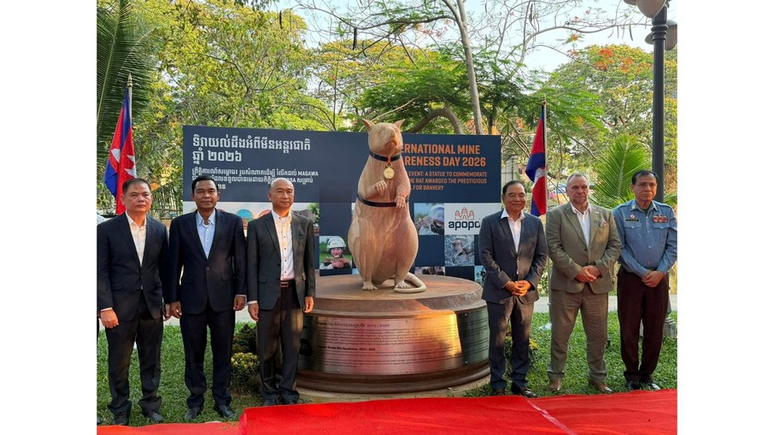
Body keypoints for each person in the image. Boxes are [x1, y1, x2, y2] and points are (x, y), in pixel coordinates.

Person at [166, 175, 247, 420]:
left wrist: (241, 292)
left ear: (217, 195)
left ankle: (222, 399)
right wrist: (173, 298)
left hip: (224, 299)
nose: (206, 195)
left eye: (210, 191)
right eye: (200, 191)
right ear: (193, 196)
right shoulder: (180, 224)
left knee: (223, 351)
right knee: (193, 352)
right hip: (191, 299)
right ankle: (195, 400)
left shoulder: (232, 223)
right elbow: (173, 265)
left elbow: (240, 261)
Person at [97, 178, 169, 425]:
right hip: (118, 308)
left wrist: (168, 300)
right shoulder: (106, 230)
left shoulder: (160, 230)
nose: (141, 199)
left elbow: (165, 269)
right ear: (123, 199)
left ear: (151, 199)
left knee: (152, 359)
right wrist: (105, 307)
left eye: (145, 195)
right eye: (135, 195)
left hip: (151, 305)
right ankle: (120, 408)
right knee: (119, 361)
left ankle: (150, 404)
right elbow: (100, 270)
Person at [545, 173, 621, 394]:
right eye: (575, 188)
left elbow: (615, 246)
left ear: (589, 189)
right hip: (566, 286)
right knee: (560, 335)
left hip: (597, 285)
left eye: (584, 187)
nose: (580, 191)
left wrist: (599, 268)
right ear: (567, 191)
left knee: (598, 335)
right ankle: (555, 377)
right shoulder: (556, 215)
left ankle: (598, 377)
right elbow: (553, 247)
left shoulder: (605, 214)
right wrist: (576, 271)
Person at [246, 178, 315, 406]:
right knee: (267, 347)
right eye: (280, 191)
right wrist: (252, 298)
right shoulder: (257, 226)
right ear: (270, 196)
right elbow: (252, 264)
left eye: (289, 191)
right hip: (267, 295)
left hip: (294, 295)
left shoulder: (304, 223)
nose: (285, 196)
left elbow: (308, 262)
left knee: (292, 346)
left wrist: (309, 293)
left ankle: (288, 391)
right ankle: (269, 392)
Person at [479, 180, 548, 398]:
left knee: (522, 339)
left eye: (521, 194)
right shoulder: (490, 222)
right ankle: (498, 384)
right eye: (512, 195)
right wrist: (506, 282)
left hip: (525, 292)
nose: (517, 199)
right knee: (498, 339)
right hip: (499, 292)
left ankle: (520, 382)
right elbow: (486, 256)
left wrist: (529, 282)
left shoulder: (535, 223)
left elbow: (541, 256)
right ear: (503, 198)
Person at [612, 170, 677, 391]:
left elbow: (673, 245)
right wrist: (641, 272)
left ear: (656, 188)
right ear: (633, 188)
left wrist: (660, 272)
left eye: (651, 185)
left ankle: (647, 374)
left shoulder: (666, 212)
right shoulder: (620, 213)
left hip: (659, 279)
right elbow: (618, 248)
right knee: (629, 326)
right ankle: (632, 375)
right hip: (631, 278)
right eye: (642, 185)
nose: (647, 189)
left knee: (655, 327)